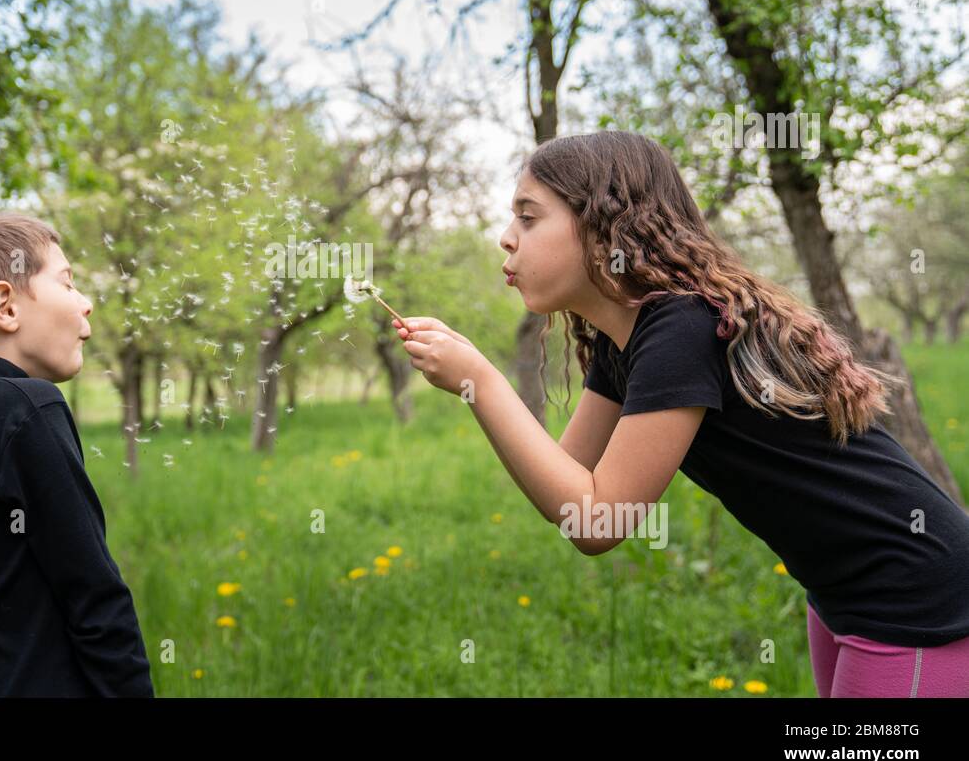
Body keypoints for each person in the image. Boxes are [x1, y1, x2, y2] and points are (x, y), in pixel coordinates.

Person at [394, 131, 969, 697]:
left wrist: (482, 382)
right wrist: (475, 383)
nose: (506, 238)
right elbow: (567, 489)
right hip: (841, 592)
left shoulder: (682, 327)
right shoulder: (623, 342)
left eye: (528, 217)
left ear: (603, 229)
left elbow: (599, 524)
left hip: (911, 594)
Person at [0, 209, 153, 697]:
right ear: (6, 306)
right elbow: (95, 595)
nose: (86, 304)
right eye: (67, 283)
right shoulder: (24, 406)